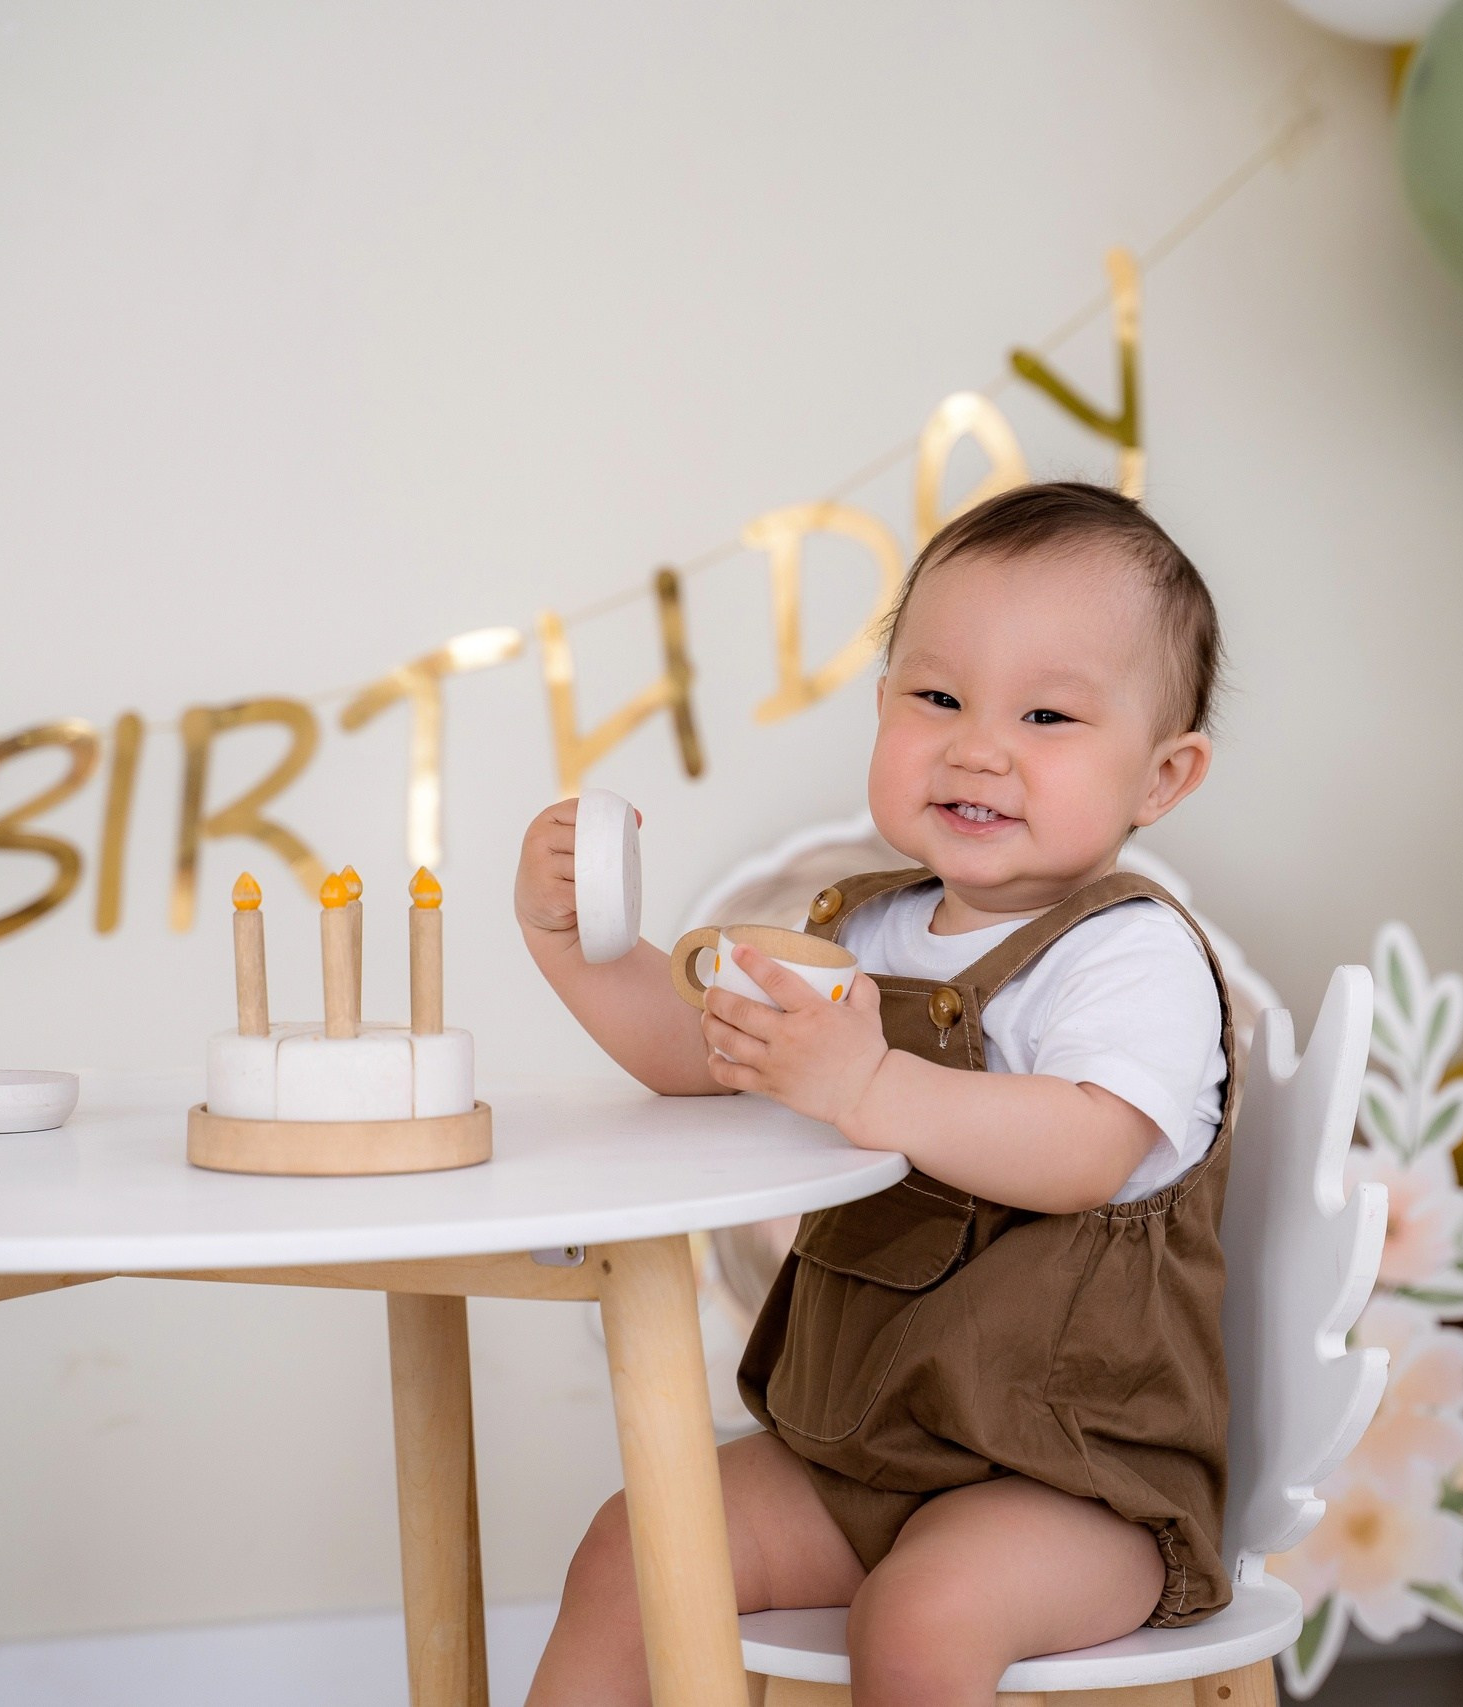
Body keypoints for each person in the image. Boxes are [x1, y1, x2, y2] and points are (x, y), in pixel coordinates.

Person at [514, 482, 1236, 1706]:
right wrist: (579, 945)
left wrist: (870, 1082)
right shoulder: (865, 932)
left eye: (1047, 715)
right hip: (859, 1455)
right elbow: (703, 1052)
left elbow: (1086, 1150)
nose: (977, 747)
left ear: (1161, 777)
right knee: (638, 1544)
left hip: (1075, 1480)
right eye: (936, 698)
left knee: (919, 1619)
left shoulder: (1126, 957)